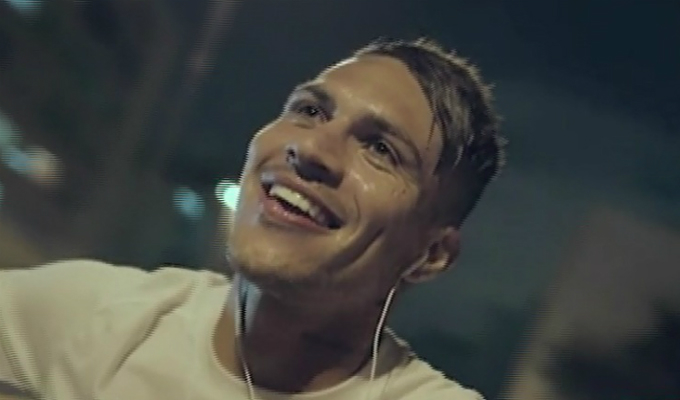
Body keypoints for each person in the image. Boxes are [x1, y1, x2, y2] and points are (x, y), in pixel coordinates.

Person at [0, 37, 506, 400]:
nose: (311, 150)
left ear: (430, 255)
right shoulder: (97, 320)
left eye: (380, 149)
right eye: (310, 111)